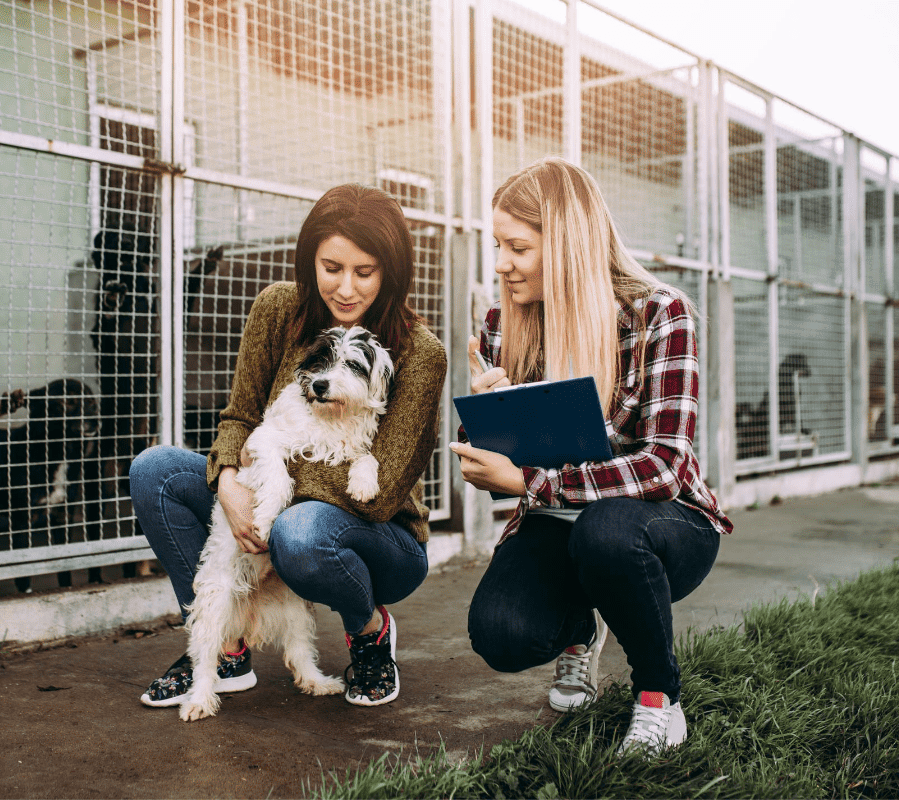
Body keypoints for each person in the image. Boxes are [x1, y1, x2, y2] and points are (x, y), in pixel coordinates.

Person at [449, 157, 732, 756]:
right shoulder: (504, 321)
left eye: (517, 247)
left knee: (606, 534)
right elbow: (501, 478)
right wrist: (490, 432)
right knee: (499, 633)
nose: (500, 263)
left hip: (659, 524)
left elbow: (663, 467)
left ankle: (660, 698)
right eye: (498, 244)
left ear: (567, 244)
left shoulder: (660, 313)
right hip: (555, 524)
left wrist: (530, 480)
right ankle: (583, 625)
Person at [129, 183, 447, 709]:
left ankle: (369, 631)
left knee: (298, 531)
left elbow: (381, 488)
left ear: (391, 271)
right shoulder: (279, 308)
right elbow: (239, 416)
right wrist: (229, 481)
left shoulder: (418, 352)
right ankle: (224, 650)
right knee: (155, 470)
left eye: (364, 272)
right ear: (310, 261)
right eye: (331, 267)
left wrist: (272, 483)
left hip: (378, 535)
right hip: (261, 486)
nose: (346, 289)